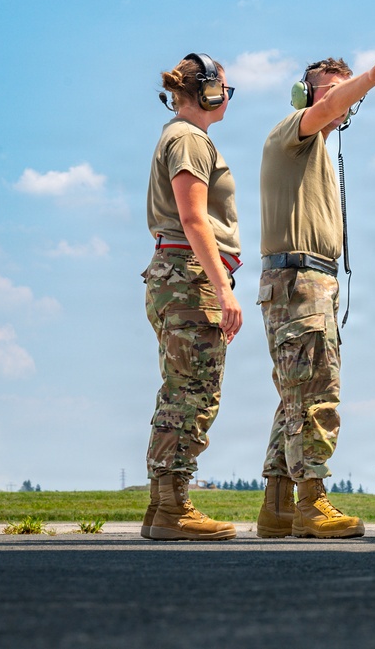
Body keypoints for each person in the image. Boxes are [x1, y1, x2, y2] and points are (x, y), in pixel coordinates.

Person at [256, 54, 375, 539]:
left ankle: (279, 507)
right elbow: (325, 110)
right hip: (300, 281)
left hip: (304, 281)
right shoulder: (294, 131)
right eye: (327, 91)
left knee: (294, 398)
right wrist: (369, 80)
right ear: (304, 94)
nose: (339, 102)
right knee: (315, 396)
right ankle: (311, 504)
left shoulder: (317, 148)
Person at [141, 53, 242, 541]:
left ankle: (162, 505)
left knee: (180, 389)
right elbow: (194, 217)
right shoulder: (189, 138)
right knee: (195, 392)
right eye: (225, 87)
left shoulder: (178, 136)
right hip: (190, 275)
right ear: (205, 91)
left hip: (173, 274)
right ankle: (173, 506)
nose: (227, 95)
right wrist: (222, 288)